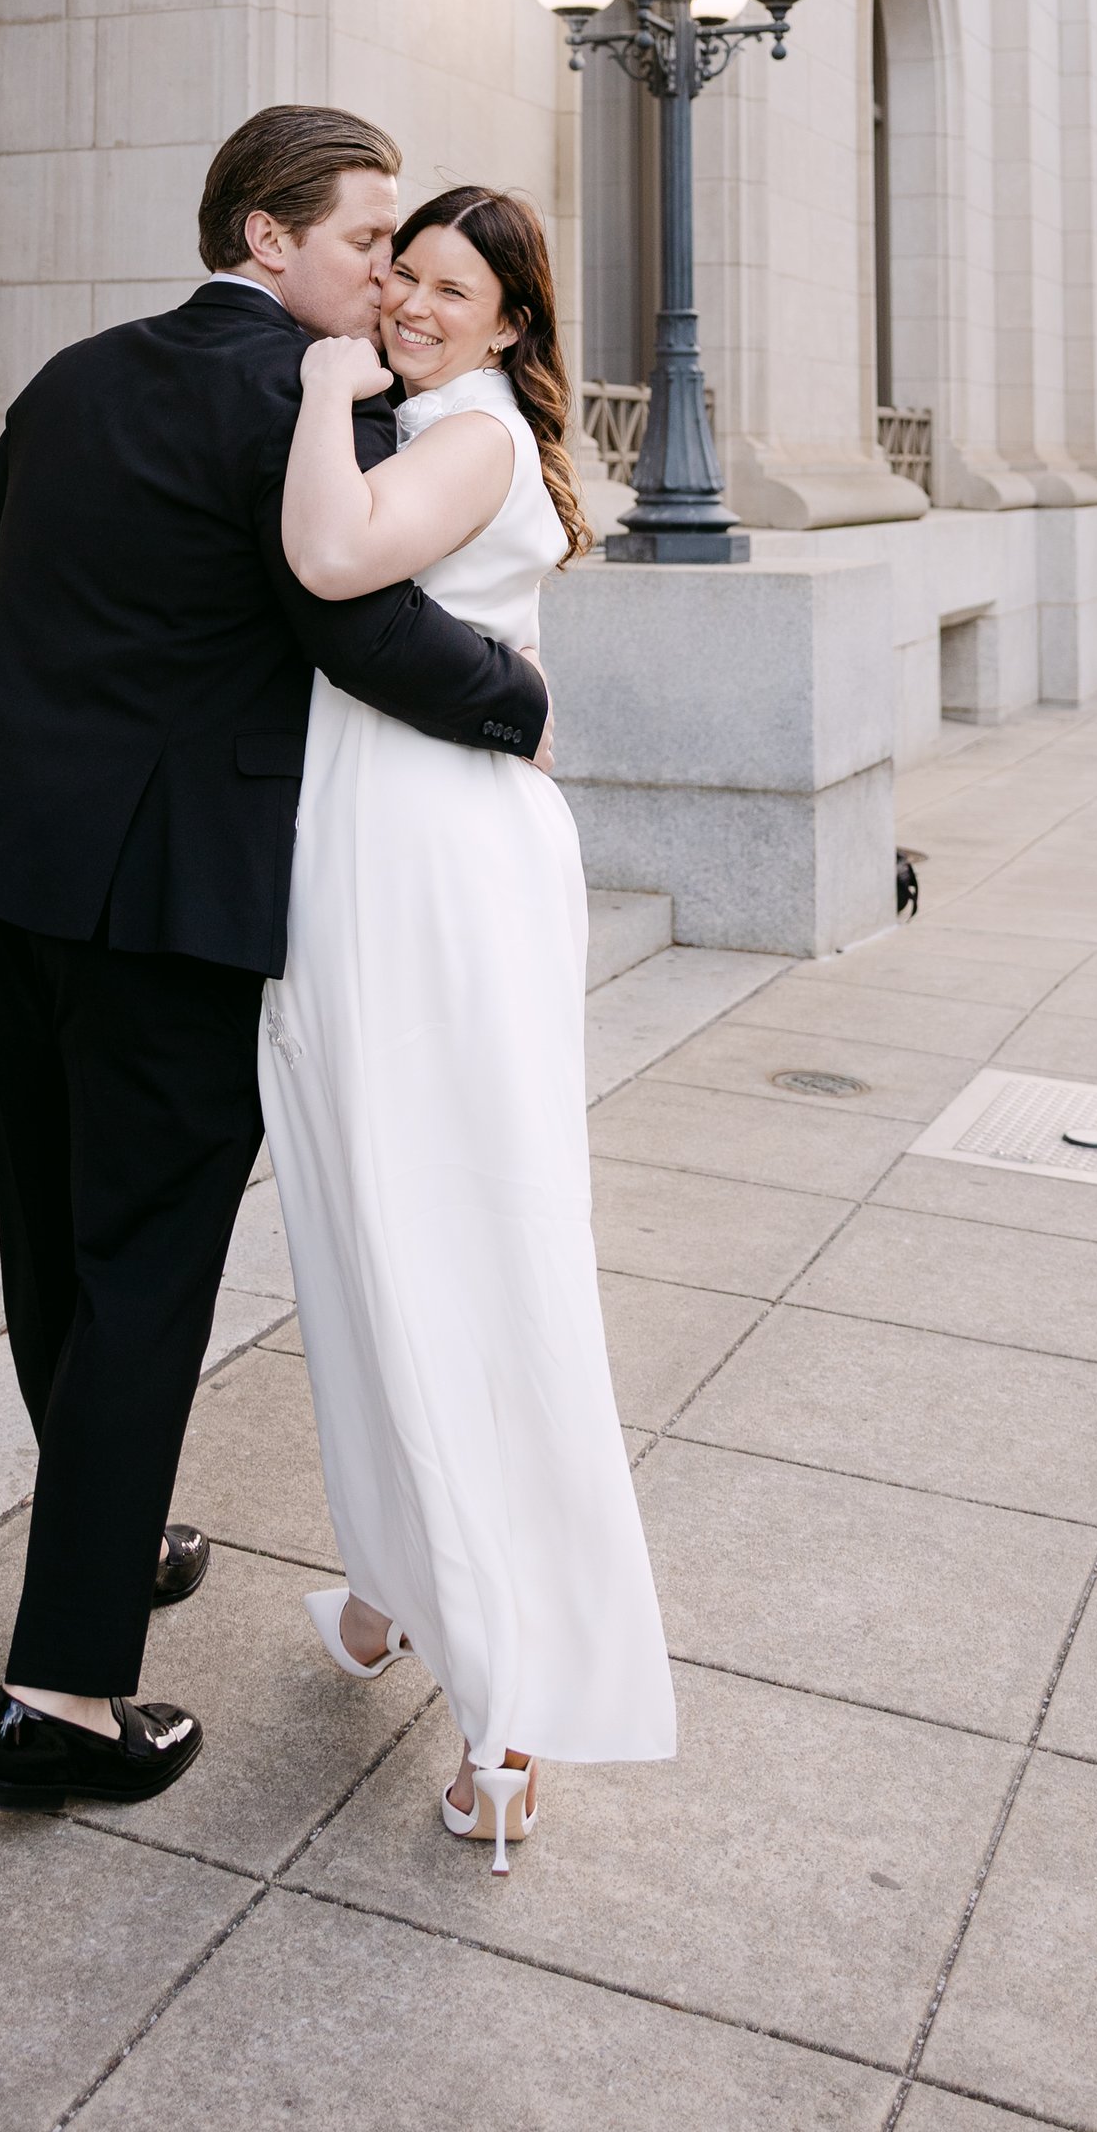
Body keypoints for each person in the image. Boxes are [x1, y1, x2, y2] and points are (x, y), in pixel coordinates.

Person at [0, 108, 550, 1817]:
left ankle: (107, 1530)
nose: (390, 286)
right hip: (159, 907)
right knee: (145, 1273)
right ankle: (61, 1697)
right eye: (366, 246)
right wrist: (520, 701)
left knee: (50, 1232)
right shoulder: (292, 399)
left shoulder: (70, 372)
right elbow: (353, 618)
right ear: (269, 240)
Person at [265, 187, 676, 1873]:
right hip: (388, 850)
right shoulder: (438, 417)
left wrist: (312, 388)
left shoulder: (466, 434)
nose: (417, 304)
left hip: (431, 872)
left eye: (452, 289)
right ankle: (391, 1582)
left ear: (513, 322)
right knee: (371, 1227)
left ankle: (505, 1707)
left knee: (447, 1243)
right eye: (403, 276)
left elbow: (329, 560)